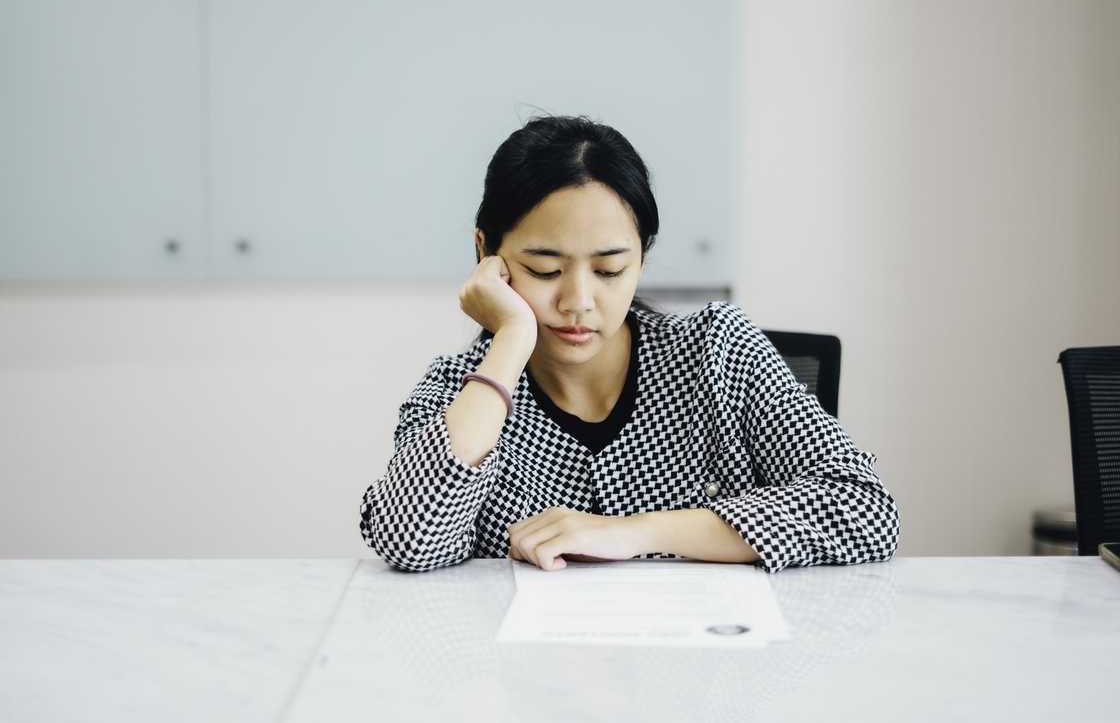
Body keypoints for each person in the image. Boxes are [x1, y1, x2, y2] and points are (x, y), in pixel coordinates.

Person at [359, 115, 900, 573]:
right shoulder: (464, 391)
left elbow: (864, 508)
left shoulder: (718, 351)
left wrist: (638, 532)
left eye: (610, 269)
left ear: (642, 257)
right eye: (543, 269)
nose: (578, 300)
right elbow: (409, 540)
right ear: (487, 251)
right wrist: (512, 340)